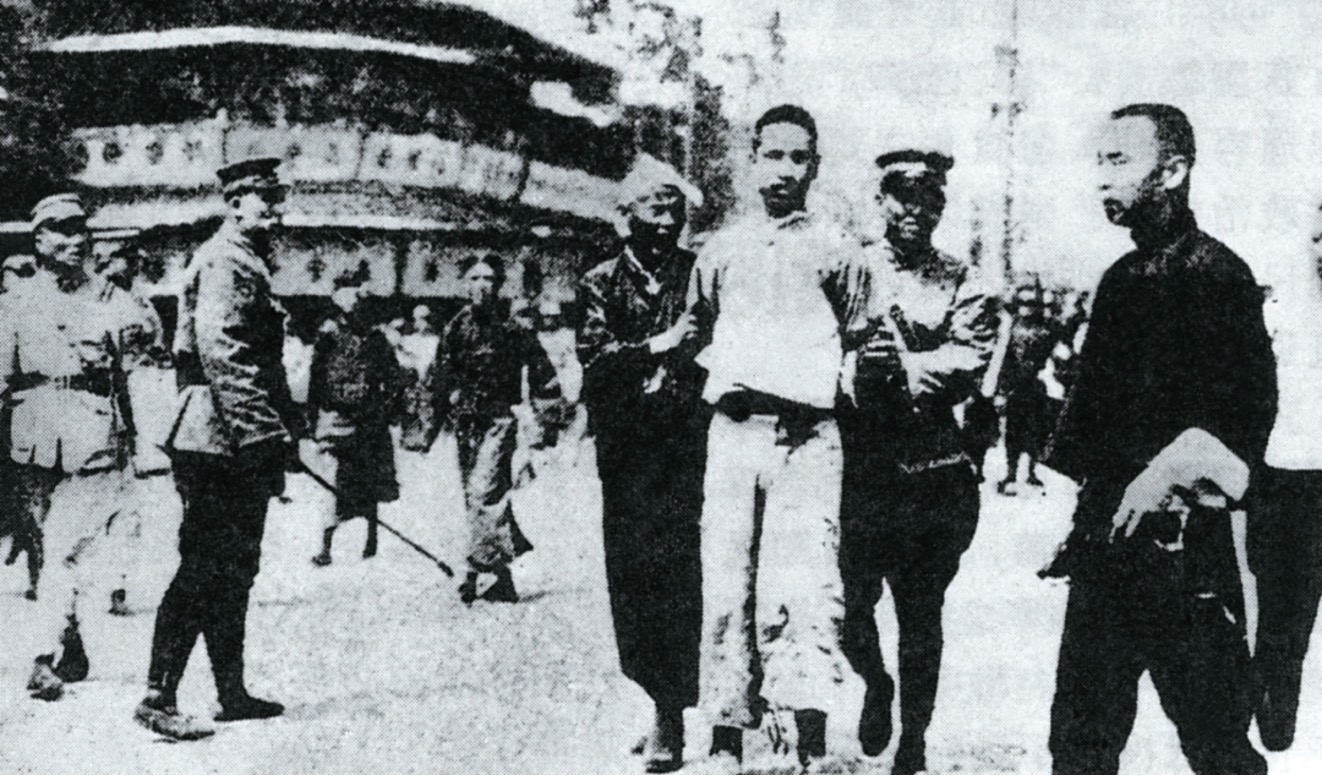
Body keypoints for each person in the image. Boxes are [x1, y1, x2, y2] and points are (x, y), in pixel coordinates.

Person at [1044, 104, 1277, 774]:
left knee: (1216, 741)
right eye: (1099, 162)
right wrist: (1084, 524)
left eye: (1119, 161)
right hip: (1109, 545)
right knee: (1079, 741)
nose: (1102, 178)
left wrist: (1171, 476)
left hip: (1188, 552)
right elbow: (1093, 425)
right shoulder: (1120, 281)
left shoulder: (1218, 275)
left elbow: (1247, 419)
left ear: (1172, 171)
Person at [684, 104, 870, 772]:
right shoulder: (720, 249)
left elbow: (855, 334)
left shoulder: (839, 250)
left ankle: (809, 736)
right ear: (753, 159)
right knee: (726, 580)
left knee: (807, 584)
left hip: (807, 438)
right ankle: (726, 734)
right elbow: (701, 324)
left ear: (815, 167)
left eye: (799, 158)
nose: (785, 170)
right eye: (773, 155)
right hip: (736, 432)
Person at [839, 148, 998, 773]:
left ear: (940, 206)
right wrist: (853, 368)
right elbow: (819, 341)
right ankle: (876, 683)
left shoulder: (963, 280)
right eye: (901, 196)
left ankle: (914, 740)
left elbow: (967, 360)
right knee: (849, 606)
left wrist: (902, 367)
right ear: (881, 201)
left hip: (931, 466)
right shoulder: (848, 266)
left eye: (928, 198)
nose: (914, 209)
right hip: (858, 463)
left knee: (920, 612)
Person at [136, 157, 299, 740]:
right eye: (265, 199)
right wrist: (262, 434)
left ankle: (231, 691)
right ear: (234, 203)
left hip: (231, 434)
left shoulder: (244, 258)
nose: (276, 209)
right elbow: (222, 350)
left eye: (278, 198)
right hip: (215, 435)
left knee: (236, 567)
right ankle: (159, 696)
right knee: (205, 564)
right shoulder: (226, 259)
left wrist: (277, 431)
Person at [577, 154, 707, 773]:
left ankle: (672, 712)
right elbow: (595, 358)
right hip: (626, 452)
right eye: (654, 208)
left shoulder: (699, 272)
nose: (666, 221)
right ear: (624, 217)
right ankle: (658, 695)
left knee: (679, 572)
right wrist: (659, 345)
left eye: (674, 211)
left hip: (688, 445)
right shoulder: (599, 283)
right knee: (631, 575)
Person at [1, 194, 145, 700]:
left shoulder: (110, 298)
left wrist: (132, 439)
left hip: (92, 435)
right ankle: (71, 640)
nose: (76, 239)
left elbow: (128, 367)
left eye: (81, 229)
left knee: (62, 548)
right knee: (46, 549)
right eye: (62, 230)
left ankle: (41, 658)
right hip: (33, 436)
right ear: (39, 240)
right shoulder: (15, 300)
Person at [429, 253, 559, 605]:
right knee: (480, 499)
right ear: (465, 284)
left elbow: (543, 373)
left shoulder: (513, 328)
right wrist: (426, 427)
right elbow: (439, 376)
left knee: (483, 493)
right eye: (474, 278)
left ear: (499, 285)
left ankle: (473, 571)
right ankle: (502, 579)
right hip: (465, 423)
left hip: (499, 421)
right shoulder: (455, 327)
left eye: (488, 278)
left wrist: (547, 422)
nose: (481, 285)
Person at [1249, 201, 1322, 752]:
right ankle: (1276, 724)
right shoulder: (1279, 312)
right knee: (1282, 619)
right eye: (1318, 238)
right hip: (1291, 482)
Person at [309, 261, 403, 566]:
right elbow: (316, 378)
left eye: (361, 301)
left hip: (369, 420)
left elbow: (394, 376)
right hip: (336, 418)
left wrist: (386, 409)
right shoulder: (328, 333)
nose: (356, 306)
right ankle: (325, 545)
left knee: (370, 479)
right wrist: (312, 418)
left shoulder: (377, 338)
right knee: (333, 480)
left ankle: (371, 539)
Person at [997, 283, 1056, 495]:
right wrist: (1002, 391)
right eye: (1023, 303)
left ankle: (1031, 472)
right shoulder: (1011, 329)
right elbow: (1004, 361)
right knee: (1013, 433)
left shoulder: (1047, 330)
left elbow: (1054, 355)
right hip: (1015, 388)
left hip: (1036, 388)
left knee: (1036, 432)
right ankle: (1011, 474)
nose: (1027, 307)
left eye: (1031, 303)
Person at [398, 304, 440, 452]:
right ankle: (409, 439)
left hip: (427, 382)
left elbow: (435, 361)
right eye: (419, 319)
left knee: (426, 412)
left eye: (425, 319)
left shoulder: (435, 340)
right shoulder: (407, 340)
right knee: (409, 410)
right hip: (411, 381)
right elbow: (402, 360)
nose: (422, 323)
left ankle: (424, 440)